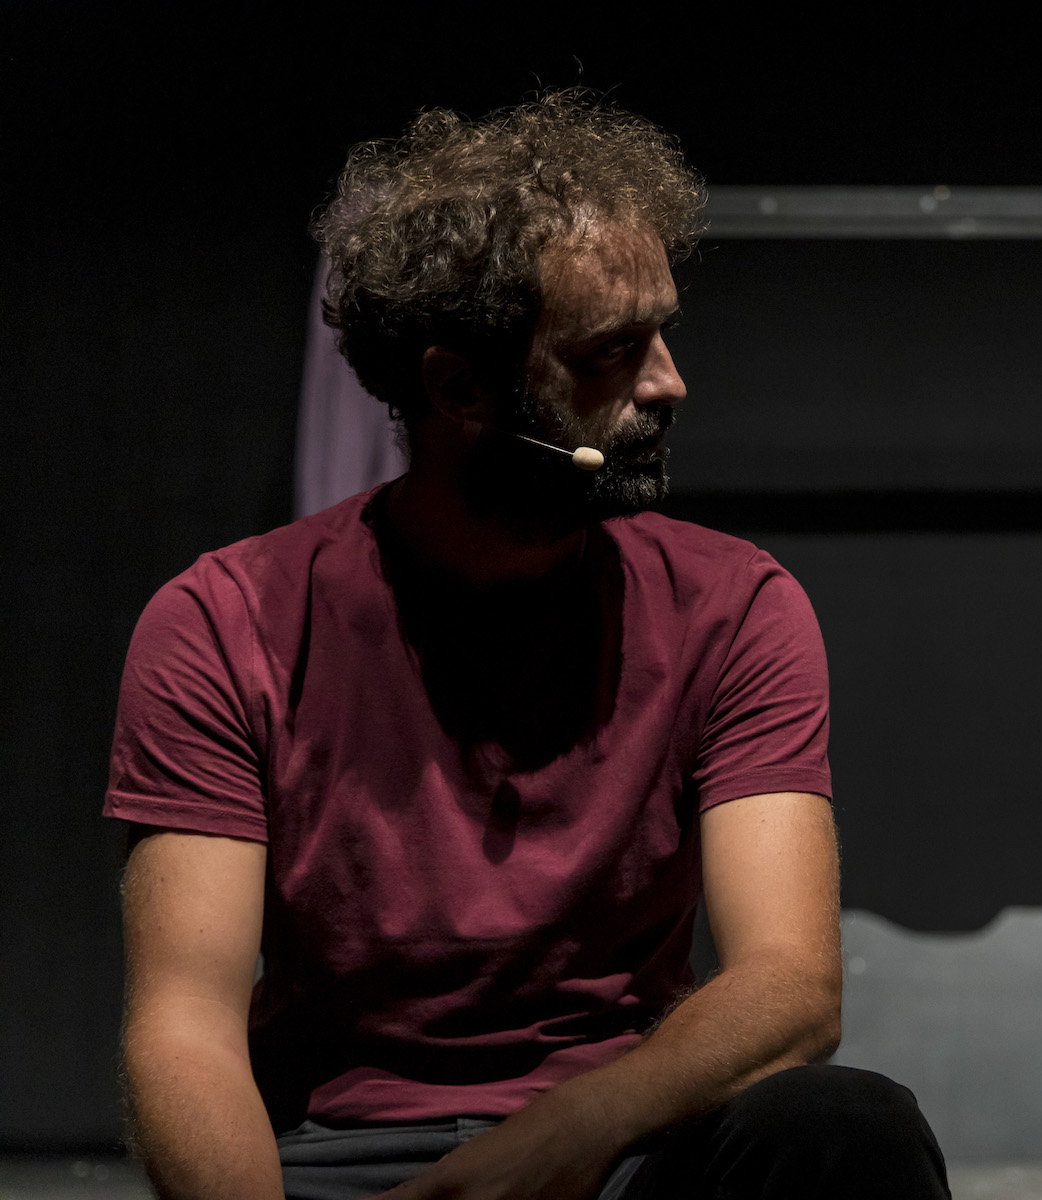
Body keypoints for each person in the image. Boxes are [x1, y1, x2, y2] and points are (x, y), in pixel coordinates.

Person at [105, 91, 950, 1200]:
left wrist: (553, 1144)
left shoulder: (735, 606)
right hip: (335, 1156)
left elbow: (791, 986)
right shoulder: (225, 622)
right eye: (612, 352)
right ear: (458, 387)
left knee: (847, 1128)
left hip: (618, 1142)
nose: (669, 383)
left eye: (664, 333)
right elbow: (184, 1029)